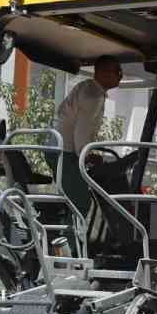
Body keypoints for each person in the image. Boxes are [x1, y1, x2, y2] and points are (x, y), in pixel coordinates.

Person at [55, 55, 123, 211]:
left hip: (61, 150)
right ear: (104, 73)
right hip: (64, 153)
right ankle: (69, 235)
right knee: (80, 203)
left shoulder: (88, 87)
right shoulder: (94, 97)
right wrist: (86, 155)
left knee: (75, 200)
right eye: (118, 71)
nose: (121, 75)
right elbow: (82, 131)